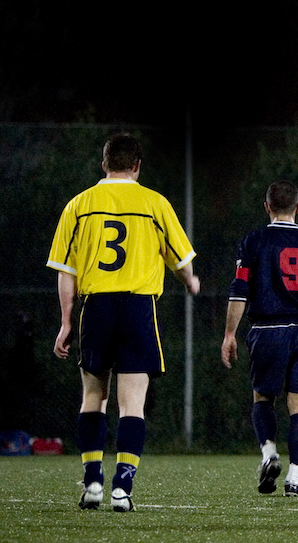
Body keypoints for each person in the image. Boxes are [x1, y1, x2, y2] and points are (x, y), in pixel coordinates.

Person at [47, 133, 200, 512]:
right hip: (137, 309)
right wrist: (191, 282)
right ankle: (122, 488)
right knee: (132, 405)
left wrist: (66, 322)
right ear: (137, 166)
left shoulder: (79, 205)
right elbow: (181, 262)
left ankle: (93, 483)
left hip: (95, 308)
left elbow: (66, 271)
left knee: (92, 399)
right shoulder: (154, 203)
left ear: (104, 164)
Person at [221, 180, 298, 497]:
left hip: (267, 331)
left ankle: (269, 453)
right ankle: (295, 478)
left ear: (267, 207)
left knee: (262, 397)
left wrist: (229, 334)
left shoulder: (254, 242)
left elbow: (239, 292)